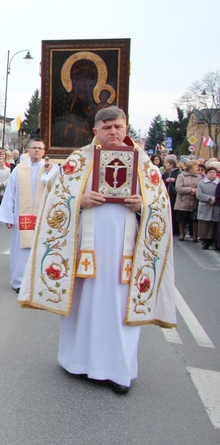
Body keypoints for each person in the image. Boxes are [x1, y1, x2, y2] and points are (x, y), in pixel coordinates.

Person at [18, 106, 175, 394]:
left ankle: (118, 371)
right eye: (107, 127)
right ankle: (77, 362)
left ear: (126, 128)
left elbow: (162, 205)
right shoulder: (78, 162)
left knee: (119, 310)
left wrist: (144, 205)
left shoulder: (144, 165)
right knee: (83, 306)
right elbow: (54, 197)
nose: (113, 132)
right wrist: (79, 198)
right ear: (96, 132)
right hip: (84, 253)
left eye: (118, 126)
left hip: (125, 255)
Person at [0, 139, 56, 292]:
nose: (36, 151)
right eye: (34, 148)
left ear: (44, 152)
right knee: (21, 251)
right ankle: (20, 282)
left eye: (40, 148)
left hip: (43, 217)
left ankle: (39, 282)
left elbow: (56, 189)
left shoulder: (51, 168)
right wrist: (8, 217)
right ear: (28, 150)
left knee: (42, 248)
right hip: (22, 217)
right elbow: (10, 193)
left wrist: (49, 172)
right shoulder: (19, 169)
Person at [175, 160, 201, 241]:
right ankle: (182, 234)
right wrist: (190, 190)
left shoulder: (199, 177)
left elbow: (201, 187)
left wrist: (197, 191)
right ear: (190, 167)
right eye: (196, 166)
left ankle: (194, 236)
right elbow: (178, 188)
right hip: (183, 201)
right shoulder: (181, 176)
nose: (197, 168)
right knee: (182, 219)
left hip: (194, 201)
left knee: (194, 220)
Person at [195, 162, 220, 250]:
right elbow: (198, 195)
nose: (212, 174)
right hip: (205, 206)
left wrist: (216, 199)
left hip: (216, 207)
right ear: (207, 173)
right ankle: (205, 241)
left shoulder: (218, 183)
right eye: (210, 172)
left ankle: (212, 241)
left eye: (214, 172)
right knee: (205, 226)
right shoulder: (202, 183)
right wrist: (209, 198)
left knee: (213, 225)